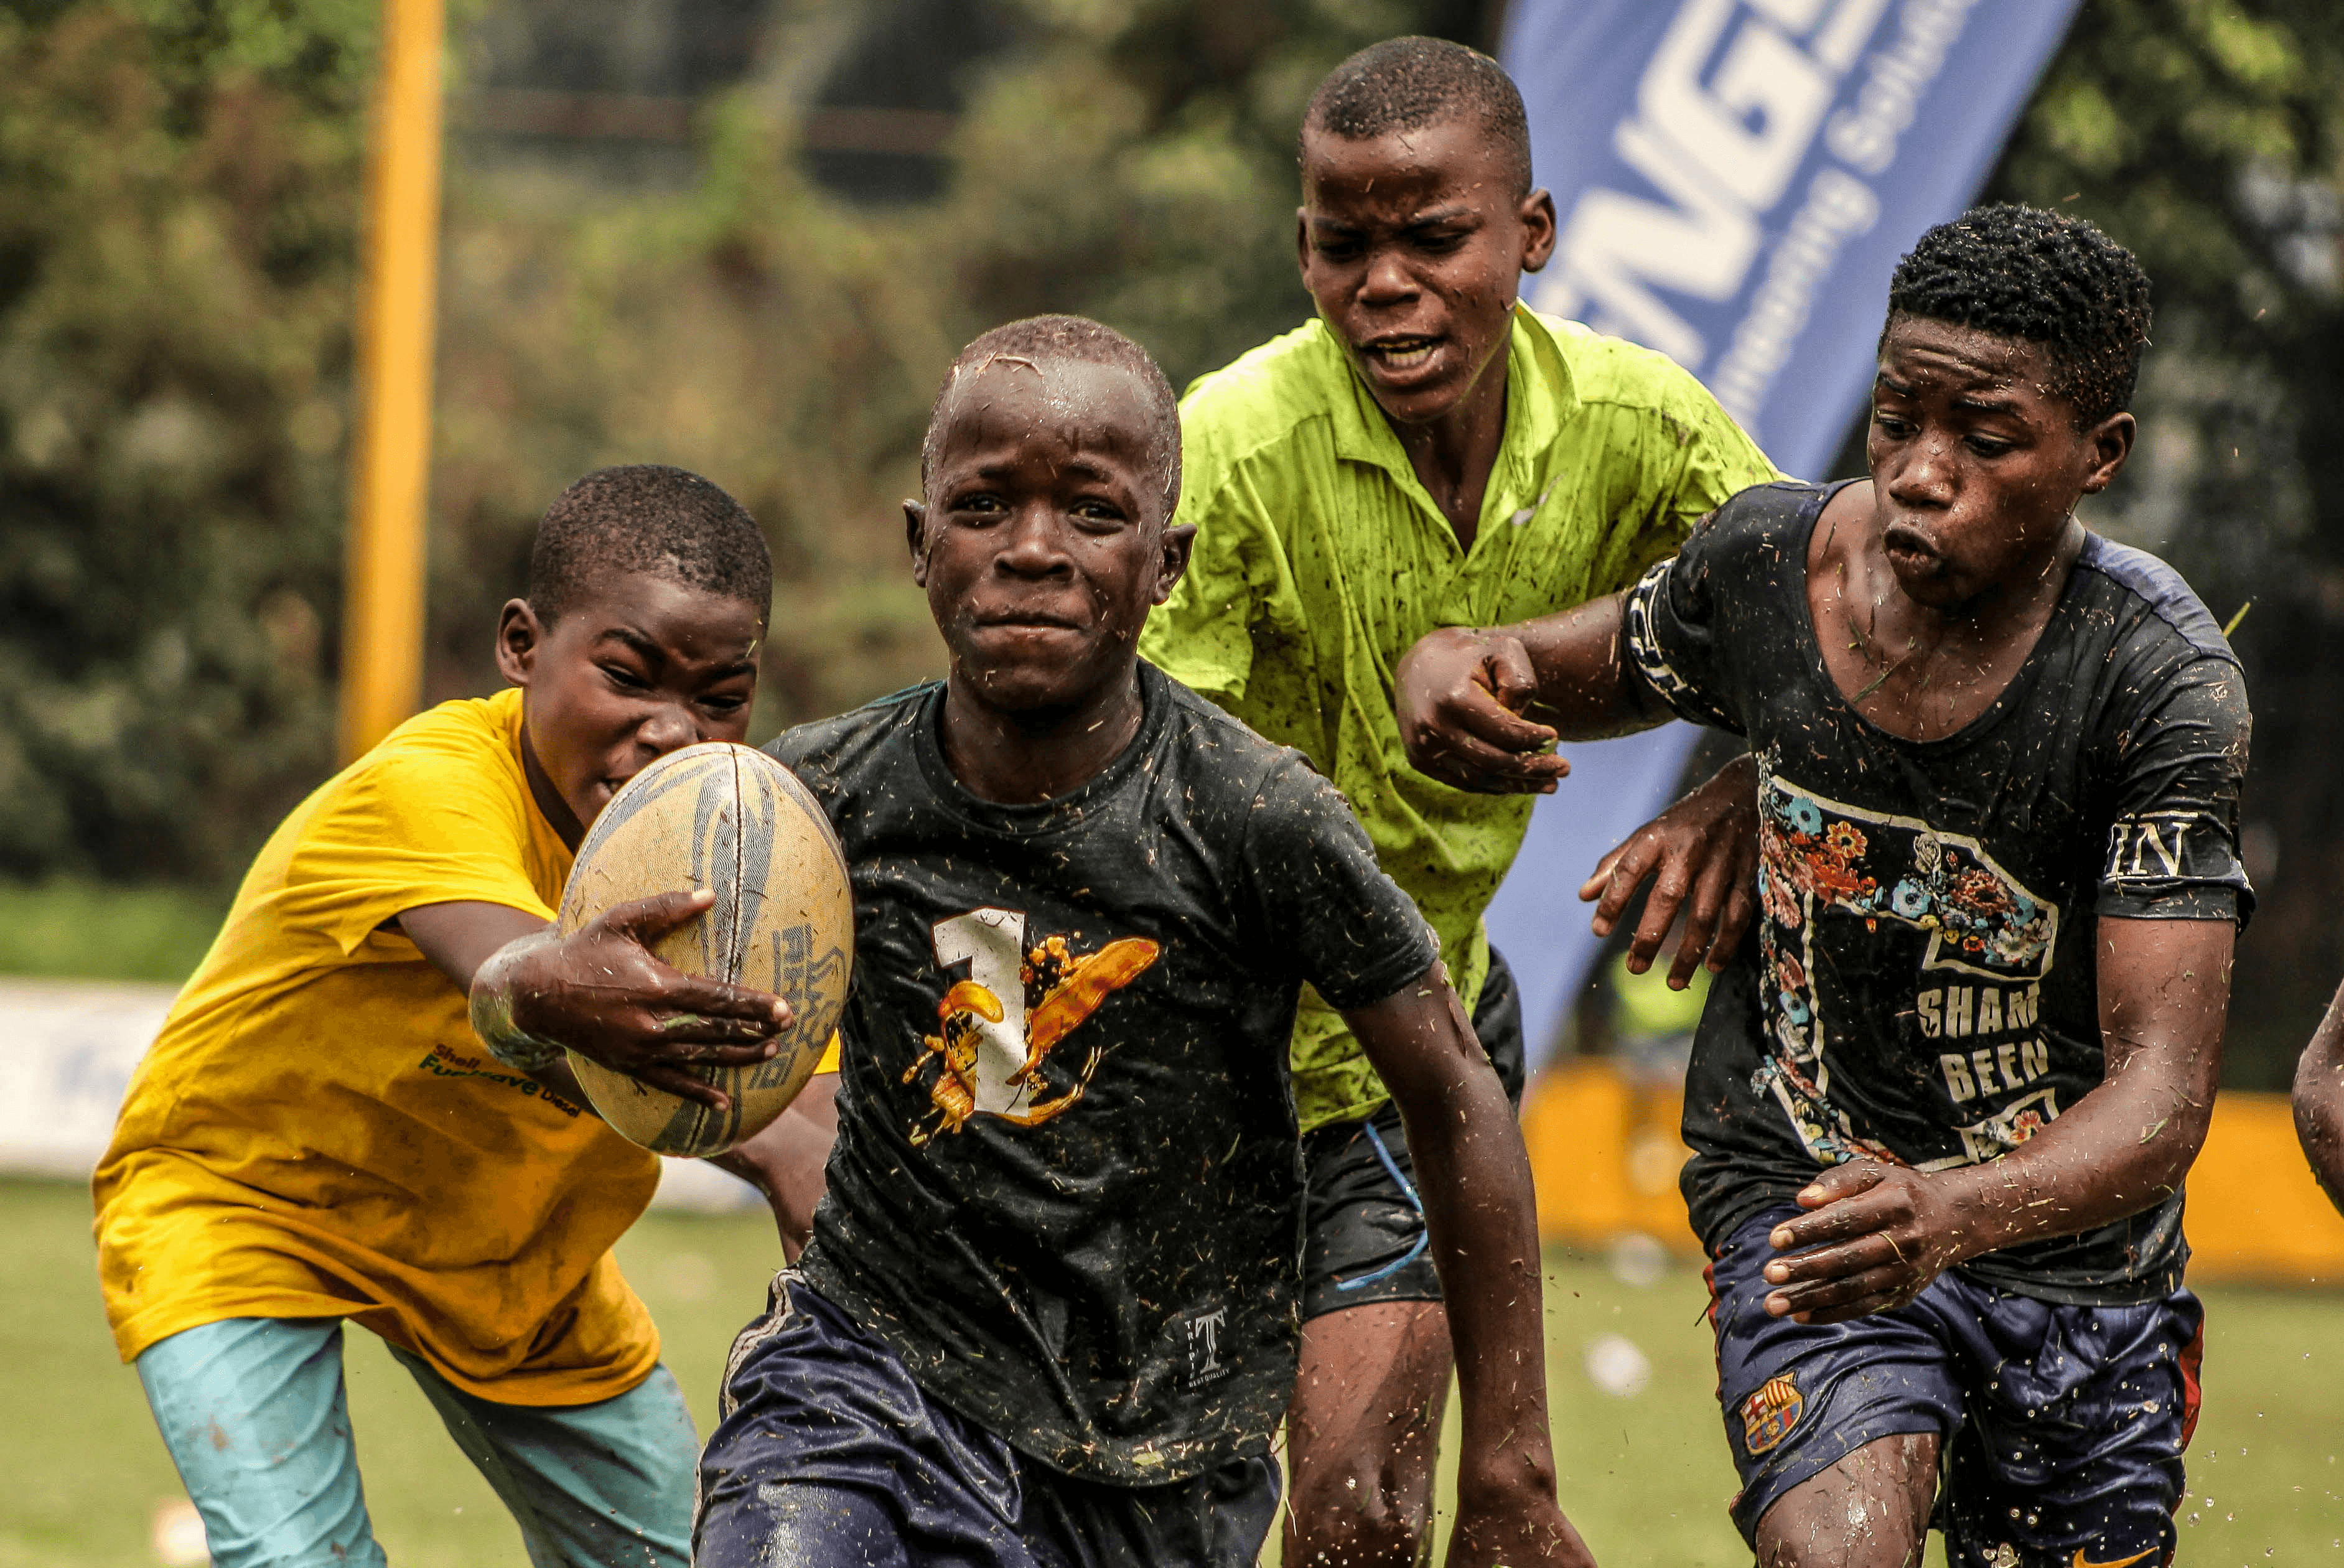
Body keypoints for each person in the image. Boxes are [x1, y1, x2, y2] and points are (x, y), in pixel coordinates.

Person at [1393, 205, 2250, 1568]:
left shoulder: (2154, 683)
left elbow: (2159, 1099)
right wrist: (1449, 659)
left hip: (2066, 1263)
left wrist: (1955, 1210)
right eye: (1894, 417)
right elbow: (1546, 662)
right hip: (1805, 1195)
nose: (1920, 472)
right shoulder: (1765, 570)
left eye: (1982, 439)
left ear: (2098, 456)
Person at [693, 315, 1590, 1568]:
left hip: (1151, 1451)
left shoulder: (1254, 819)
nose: (1032, 553)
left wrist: (1510, 1469)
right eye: (984, 505)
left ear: (1164, 564)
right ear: (919, 542)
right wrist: (575, 1009)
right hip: (867, 1378)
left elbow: (1451, 1091)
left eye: (1092, 515)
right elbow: (643, 1008)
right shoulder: (812, 797)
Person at [1130, 36, 1779, 1562]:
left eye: (1434, 237)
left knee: (1358, 1510)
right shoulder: (1229, 452)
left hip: (1404, 1046)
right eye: (1345, 244)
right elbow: (1131, 782)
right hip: (1187, 1053)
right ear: (1302, 251)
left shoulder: (1646, 432)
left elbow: (1843, 618)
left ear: (1528, 237)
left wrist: (1742, 783)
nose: (1387, 283)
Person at [94, 465, 829, 1568]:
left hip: (510, 1248)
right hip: (247, 1200)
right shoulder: (430, 786)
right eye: (627, 677)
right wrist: (746, 1122)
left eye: (721, 699)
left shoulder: (740, 855)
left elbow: (805, 1122)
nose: (673, 733)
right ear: (522, 646)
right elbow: (515, 974)